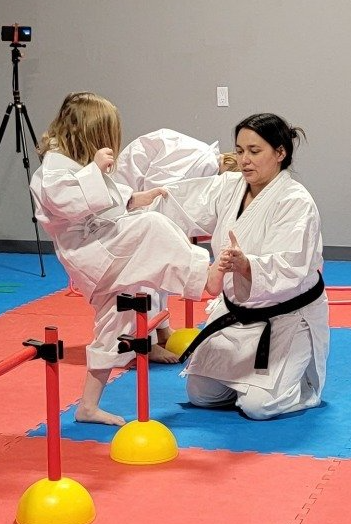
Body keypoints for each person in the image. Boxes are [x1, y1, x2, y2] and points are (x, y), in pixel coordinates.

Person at [29, 91, 224, 426]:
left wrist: (134, 198)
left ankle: (88, 406)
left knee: (116, 320)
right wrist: (95, 171)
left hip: (99, 250)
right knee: (152, 226)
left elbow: (104, 198)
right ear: (89, 133)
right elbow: (67, 203)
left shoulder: (71, 165)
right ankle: (202, 277)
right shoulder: (53, 169)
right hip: (91, 251)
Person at [149, 113, 329, 420]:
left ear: (280, 153)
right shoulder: (230, 187)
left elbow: (291, 267)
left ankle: (296, 382)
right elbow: (182, 204)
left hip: (284, 319)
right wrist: (140, 205)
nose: (244, 160)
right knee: (201, 395)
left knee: (258, 407)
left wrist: (247, 265)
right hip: (237, 313)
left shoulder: (295, 202)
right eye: (240, 150)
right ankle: (248, 383)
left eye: (254, 151)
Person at [115, 129, 239, 363]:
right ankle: (147, 342)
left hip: (137, 196)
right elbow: (160, 197)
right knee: (150, 270)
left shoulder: (204, 160)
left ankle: (161, 330)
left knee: (163, 267)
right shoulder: (202, 164)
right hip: (127, 201)